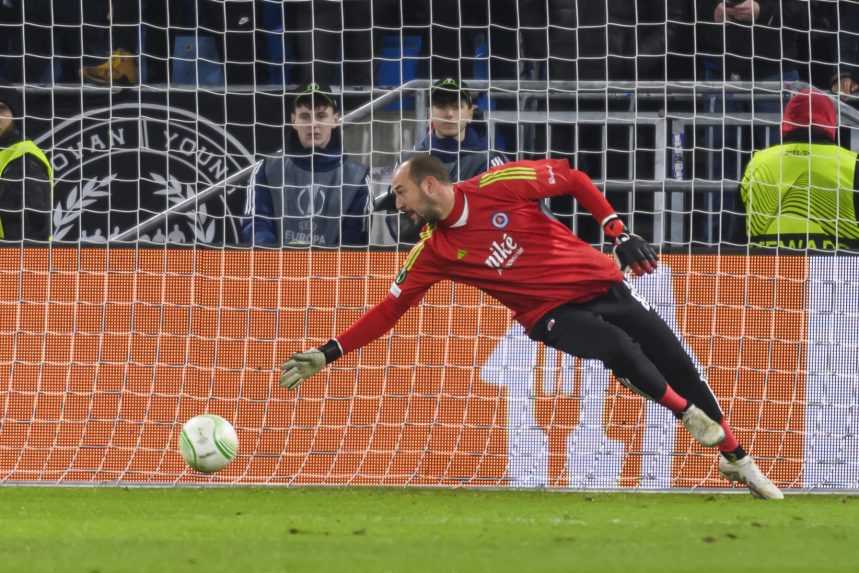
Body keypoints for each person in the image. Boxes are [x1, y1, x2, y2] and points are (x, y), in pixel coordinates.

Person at [281, 154, 784, 499]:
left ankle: (732, 455)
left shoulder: (498, 186)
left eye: (401, 194)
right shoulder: (431, 252)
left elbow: (572, 179)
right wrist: (328, 352)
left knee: (676, 360)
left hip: (602, 284)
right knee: (615, 347)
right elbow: (389, 311)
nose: (399, 206)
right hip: (549, 316)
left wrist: (616, 228)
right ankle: (691, 419)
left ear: (429, 184)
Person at [374, 78, 507, 243]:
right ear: (430, 113)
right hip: (425, 258)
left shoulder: (490, 161)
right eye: (441, 106)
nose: (449, 114)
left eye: (456, 106)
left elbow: (499, 220)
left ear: (470, 113)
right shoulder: (408, 161)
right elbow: (399, 228)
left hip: (474, 260)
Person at [242, 83, 369, 248]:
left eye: (321, 115)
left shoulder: (357, 178)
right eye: (305, 116)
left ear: (335, 120)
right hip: (275, 270)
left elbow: (354, 240)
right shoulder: (266, 169)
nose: (313, 124)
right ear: (293, 120)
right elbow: (256, 225)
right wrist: (278, 264)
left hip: (333, 272)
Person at [740, 88, 859, 250]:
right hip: (838, 270)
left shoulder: (757, 162)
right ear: (831, 122)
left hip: (768, 270)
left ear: (786, 121)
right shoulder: (852, 163)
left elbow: (737, 236)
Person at [0, 97, 52, 242]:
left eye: (1, 109)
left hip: (11, 258)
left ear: (15, 114)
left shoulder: (24, 159)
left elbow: (31, 229)